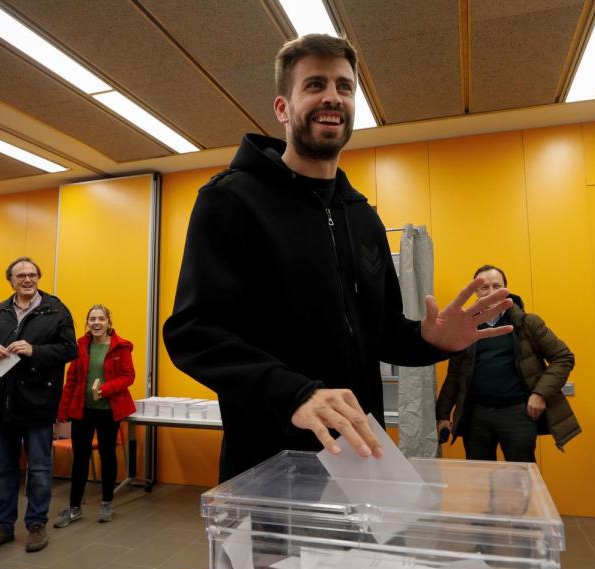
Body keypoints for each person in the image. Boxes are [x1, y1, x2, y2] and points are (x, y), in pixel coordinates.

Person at [164, 34, 511, 482]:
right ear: (282, 108)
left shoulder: (362, 216)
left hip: (360, 458)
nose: (333, 96)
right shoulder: (230, 201)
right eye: (314, 85)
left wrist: (431, 341)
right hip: (268, 463)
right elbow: (194, 333)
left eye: (344, 87)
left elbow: (381, 333)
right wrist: (295, 394)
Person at [0, 257, 77, 556]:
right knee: (3, 469)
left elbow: (70, 349)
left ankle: (36, 524)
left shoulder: (56, 310)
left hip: (39, 404)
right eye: (21, 276)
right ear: (11, 280)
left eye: (32, 275)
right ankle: (2, 526)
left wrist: (35, 350)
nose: (27, 280)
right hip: (1, 404)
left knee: (41, 469)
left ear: (39, 278)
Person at [436, 265, 579, 462]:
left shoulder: (528, 323)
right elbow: (454, 376)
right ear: (475, 292)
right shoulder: (466, 327)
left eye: (497, 286)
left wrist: (540, 394)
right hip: (476, 415)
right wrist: (443, 415)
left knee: (520, 480)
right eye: (484, 287)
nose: (491, 292)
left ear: (506, 290)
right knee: (480, 479)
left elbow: (563, 357)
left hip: (517, 413)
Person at [54, 304, 135, 527]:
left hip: (110, 411)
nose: (96, 323)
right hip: (83, 411)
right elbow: (71, 380)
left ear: (109, 322)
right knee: (80, 458)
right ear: (87, 323)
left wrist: (106, 389)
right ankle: (74, 508)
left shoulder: (121, 347)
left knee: (108, 456)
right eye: (92, 319)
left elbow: (129, 377)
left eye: (101, 319)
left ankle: (107, 502)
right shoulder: (80, 346)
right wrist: (62, 412)